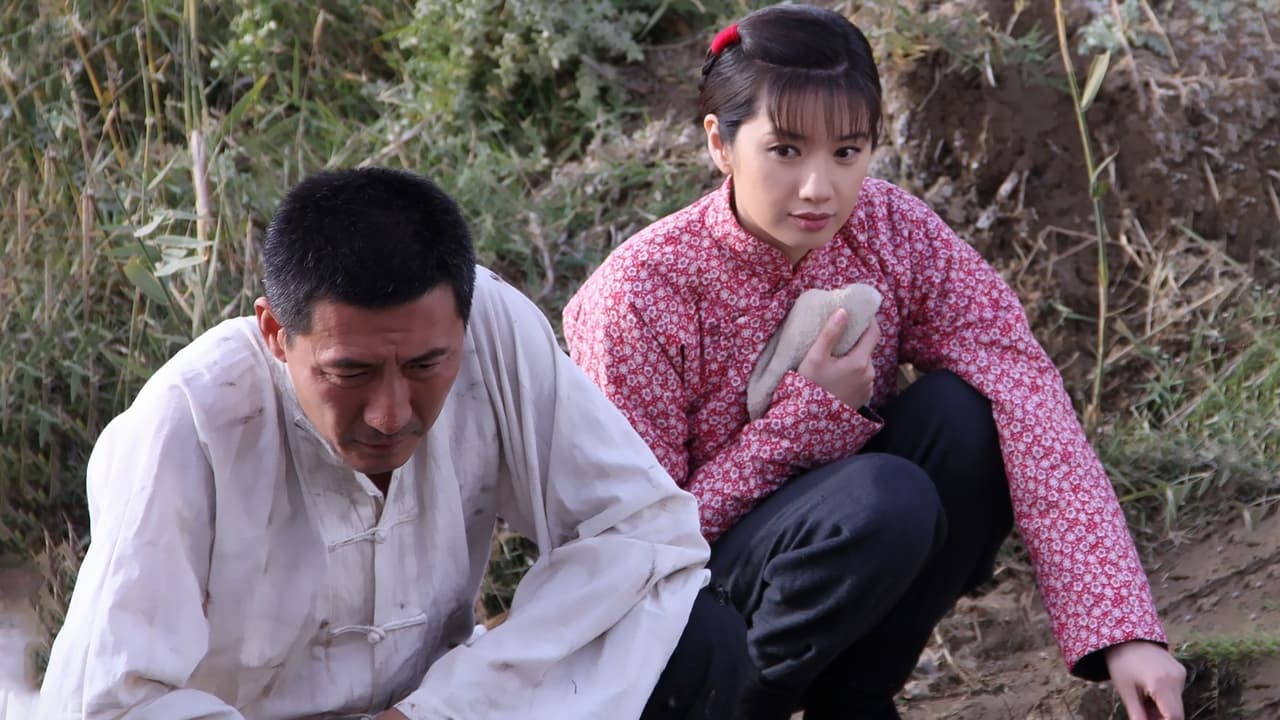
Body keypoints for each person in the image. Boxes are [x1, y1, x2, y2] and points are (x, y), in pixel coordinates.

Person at [563, 5, 1187, 720]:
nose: (818, 188)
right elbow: (641, 547)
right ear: (720, 143)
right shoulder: (641, 294)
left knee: (968, 416)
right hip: (681, 625)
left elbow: (1025, 389)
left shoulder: (891, 230)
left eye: (847, 151)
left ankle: (855, 700)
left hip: (830, 551)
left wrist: (1124, 633)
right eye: (786, 150)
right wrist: (805, 419)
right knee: (884, 498)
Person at [37, 167, 747, 720]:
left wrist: (444, 705)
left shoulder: (493, 328)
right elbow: (104, 702)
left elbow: (643, 533)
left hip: (438, 706)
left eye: (426, 366)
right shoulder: (190, 418)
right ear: (276, 334)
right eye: (349, 372)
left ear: (463, 326)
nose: (389, 415)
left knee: (696, 639)